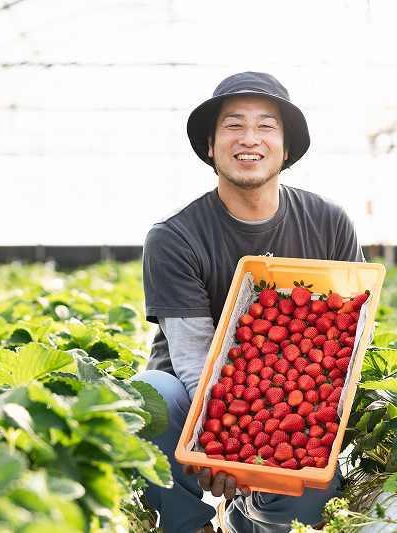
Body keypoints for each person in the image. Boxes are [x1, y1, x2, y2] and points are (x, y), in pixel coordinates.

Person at [132, 72, 365, 533]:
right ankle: (187, 523)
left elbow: (352, 333)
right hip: (194, 393)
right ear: (209, 146)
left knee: (309, 479)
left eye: (266, 126)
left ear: (287, 148)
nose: (250, 139)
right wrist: (222, 445)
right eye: (233, 125)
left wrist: (284, 427)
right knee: (150, 397)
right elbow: (196, 357)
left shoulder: (330, 223)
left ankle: (253, 518)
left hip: (300, 395)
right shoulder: (174, 237)